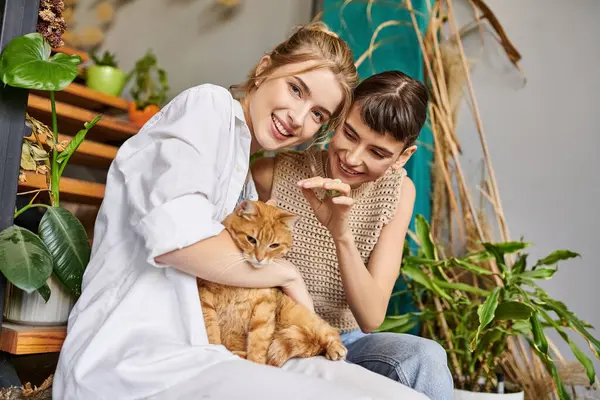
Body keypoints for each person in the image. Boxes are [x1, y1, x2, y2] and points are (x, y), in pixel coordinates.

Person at [53, 23, 429, 400]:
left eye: (317, 114)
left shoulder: (244, 176)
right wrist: (288, 274)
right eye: (295, 89)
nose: (299, 118)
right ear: (264, 68)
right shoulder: (208, 106)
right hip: (136, 354)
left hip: (210, 350)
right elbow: (174, 241)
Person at [252, 70, 454, 400]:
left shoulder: (398, 192)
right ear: (340, 115)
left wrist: (341, 233)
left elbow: (371, 317)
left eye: (378, 153)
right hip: (280, 332)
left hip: (347, 340)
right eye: (349, 133)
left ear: (403, 157)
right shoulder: (272, 173)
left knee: (426, 359)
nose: (352, 157)